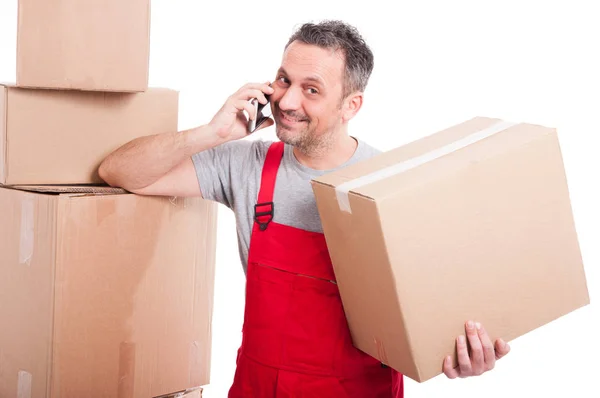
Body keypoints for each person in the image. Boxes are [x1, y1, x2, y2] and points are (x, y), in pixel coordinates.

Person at [98, 20, 511, 397]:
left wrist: (463, 353)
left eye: (311, 89)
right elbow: (120, 172)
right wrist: (211, 133)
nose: (288, 101)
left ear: (351, 106)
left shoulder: (391, 184)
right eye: (284, 79)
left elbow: (439, 307)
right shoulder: (247, 165)